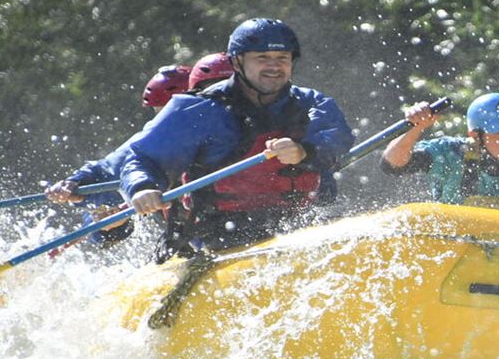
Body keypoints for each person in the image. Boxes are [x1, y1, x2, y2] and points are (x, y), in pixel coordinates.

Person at [119, 18, 354, 260]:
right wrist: (142, 186)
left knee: (333, 215)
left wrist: (305, 151)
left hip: (302, 220)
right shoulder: (195, 109)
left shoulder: (311, 101)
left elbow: (338, 136)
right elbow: (141, 157)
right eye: (262, 58)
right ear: (237, 62)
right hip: (226, 234)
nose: (274, 66)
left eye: (282, 58)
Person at [42, 63, 192, 244]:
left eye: (168, 114)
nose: (163, 124)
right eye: (158, 116)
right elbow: (103, 173)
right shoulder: (148, 146)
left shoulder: (223, 127)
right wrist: (75, 184)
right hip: (188, 241)